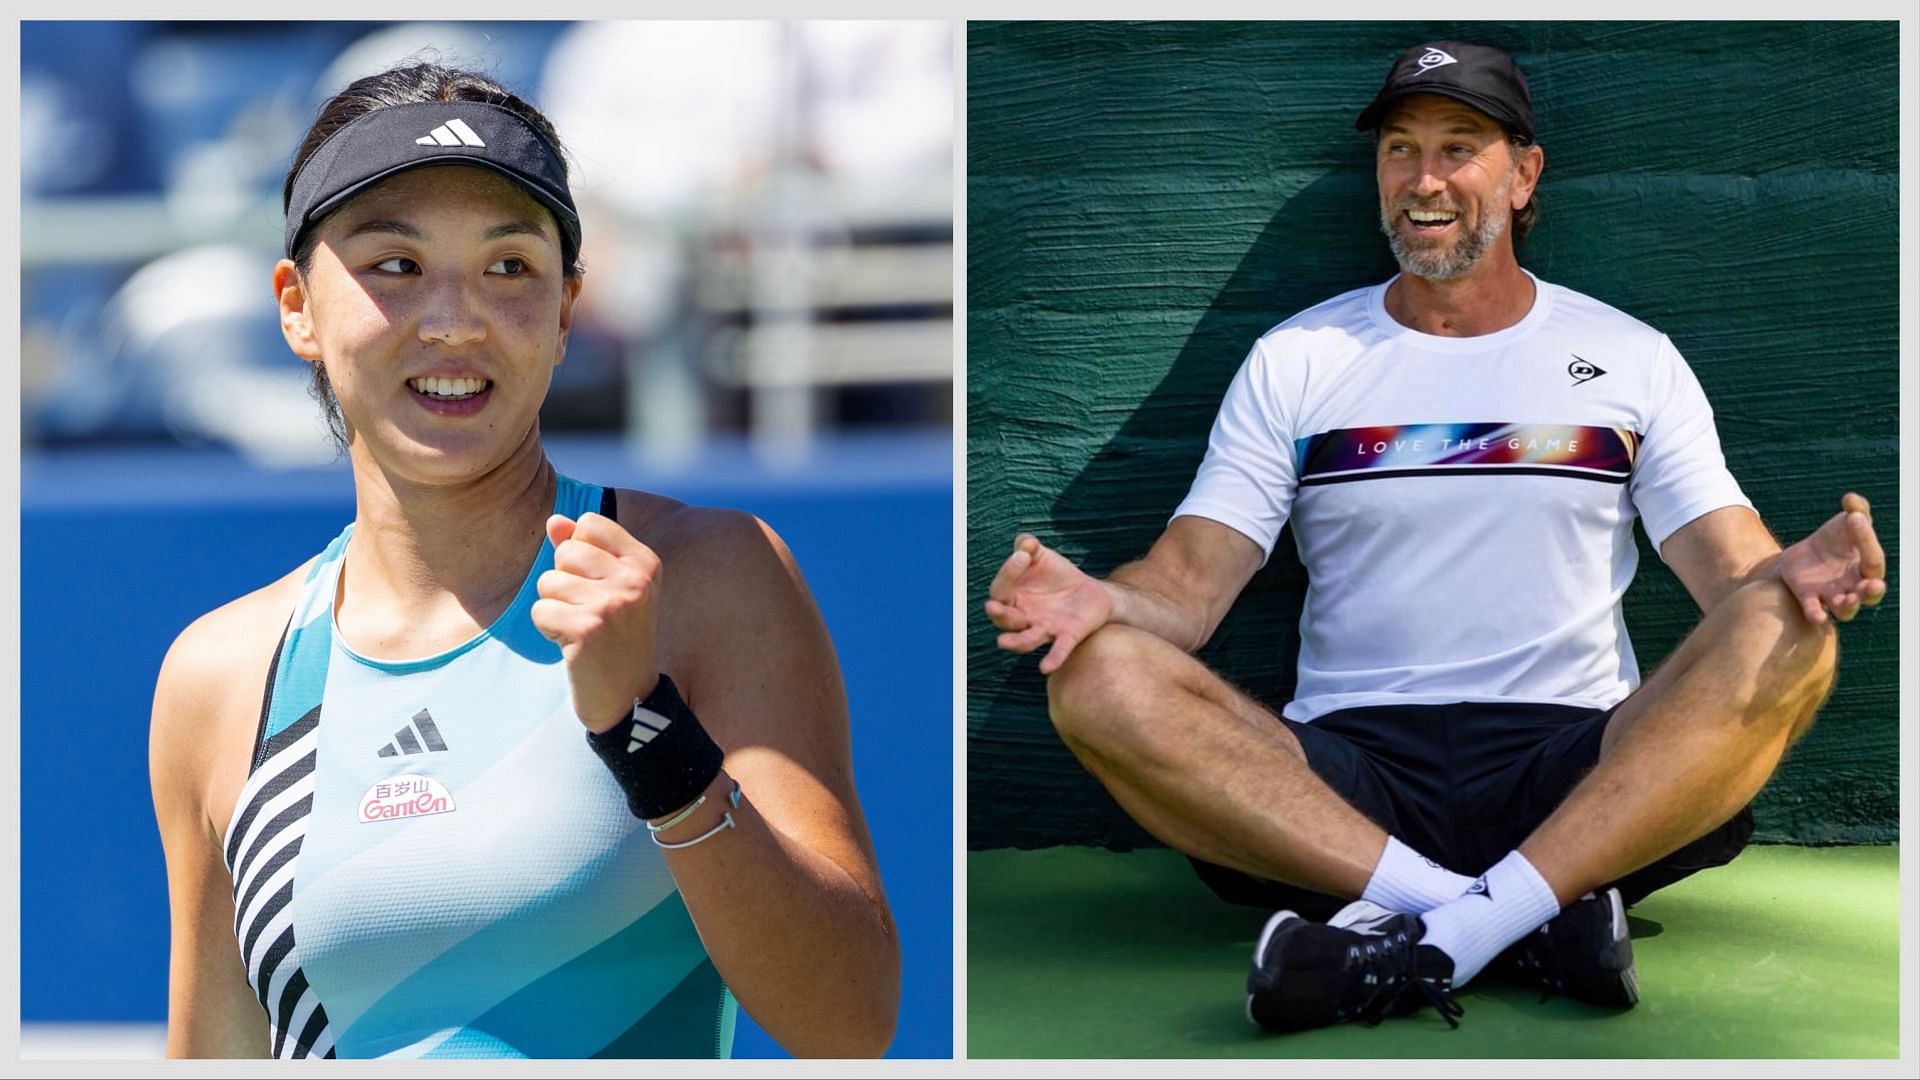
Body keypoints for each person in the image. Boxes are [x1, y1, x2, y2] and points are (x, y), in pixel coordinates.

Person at [985, 40, 1885, 1033]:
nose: (1424, 180)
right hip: (1346, 784)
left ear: (1523, 173)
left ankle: (1425, 937)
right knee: (1096, 674)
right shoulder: (1299, 360)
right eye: (1401, 150)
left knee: (1791, 633)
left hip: (1579, 768)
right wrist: (1103, 603)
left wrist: (1792, 577)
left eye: (1460, 148)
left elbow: (1735, 576)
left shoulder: (1632, 357)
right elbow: (1189, 586)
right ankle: (1509, 920)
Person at [150, 63, 899, 1059]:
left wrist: (646, 729)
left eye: (509, 267)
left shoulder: (709, 578)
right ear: (297, 308)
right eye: (395, 265)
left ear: (563, 313)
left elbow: (848, 1023)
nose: (454, 320)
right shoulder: (221, 678)